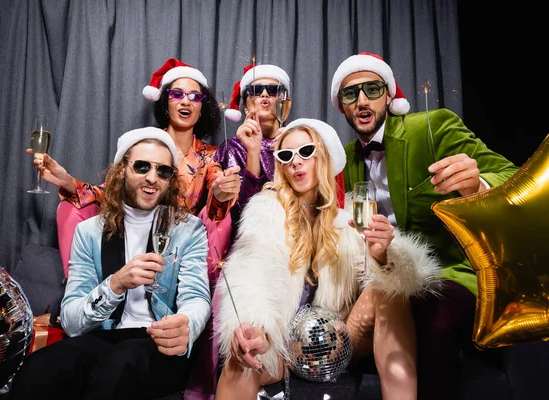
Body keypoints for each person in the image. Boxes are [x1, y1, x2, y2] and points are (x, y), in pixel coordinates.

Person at [330, 52, 519, 399]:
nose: (361, 100)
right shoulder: (344, 159)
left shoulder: (432, 129)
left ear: (388, 95)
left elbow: (512, 177)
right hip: (380, 276)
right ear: (341, 106)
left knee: (434, 320)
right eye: (350, 94)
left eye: (371, 89)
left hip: (446, 273)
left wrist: (477, 185)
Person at [214, 118, 441, 400]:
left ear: (323, 157)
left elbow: (395, 277)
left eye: (306, 152)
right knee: (241, 361)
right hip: (283, 348)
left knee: (389, 287)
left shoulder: (348, 222)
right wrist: (253, 330)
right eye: (286, 156)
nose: (296, 162)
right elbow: (249, 278)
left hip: (335, 341)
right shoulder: (265, 212)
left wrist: (383, 257)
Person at [9, 127, 212, 400]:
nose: (152, 178)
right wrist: (115, 284)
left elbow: (197, 297)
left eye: (163, 171)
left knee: (119, 368)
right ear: (121, 171)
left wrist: (186, 324)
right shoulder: (90, 231)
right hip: (106, 337)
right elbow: (71, 320)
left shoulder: (188, 230)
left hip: (158, 342)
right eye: (142, 167)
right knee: (41, 368)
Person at [30, 57, 240, 279]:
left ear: (201, 108)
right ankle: (79, 289)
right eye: (177, 94)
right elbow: (110, 193)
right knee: (69, 208)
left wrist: (220, 193)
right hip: (132, 233)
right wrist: (68, 182)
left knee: (221, 217)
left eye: (194, 97)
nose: (185, 101)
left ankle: (200, 292)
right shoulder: (144, 145)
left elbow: (217, 194)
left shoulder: (210, 156)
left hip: (180, 244)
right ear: (165, 103)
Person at [216, 63, 346, 227]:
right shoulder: (232, 148)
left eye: (273, 90)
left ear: (285, 100)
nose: (264, 94)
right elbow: (241, 217)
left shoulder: (302, 142)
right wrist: (254, 152)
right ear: (245, 103)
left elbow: (322, 197)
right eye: (256, 90)